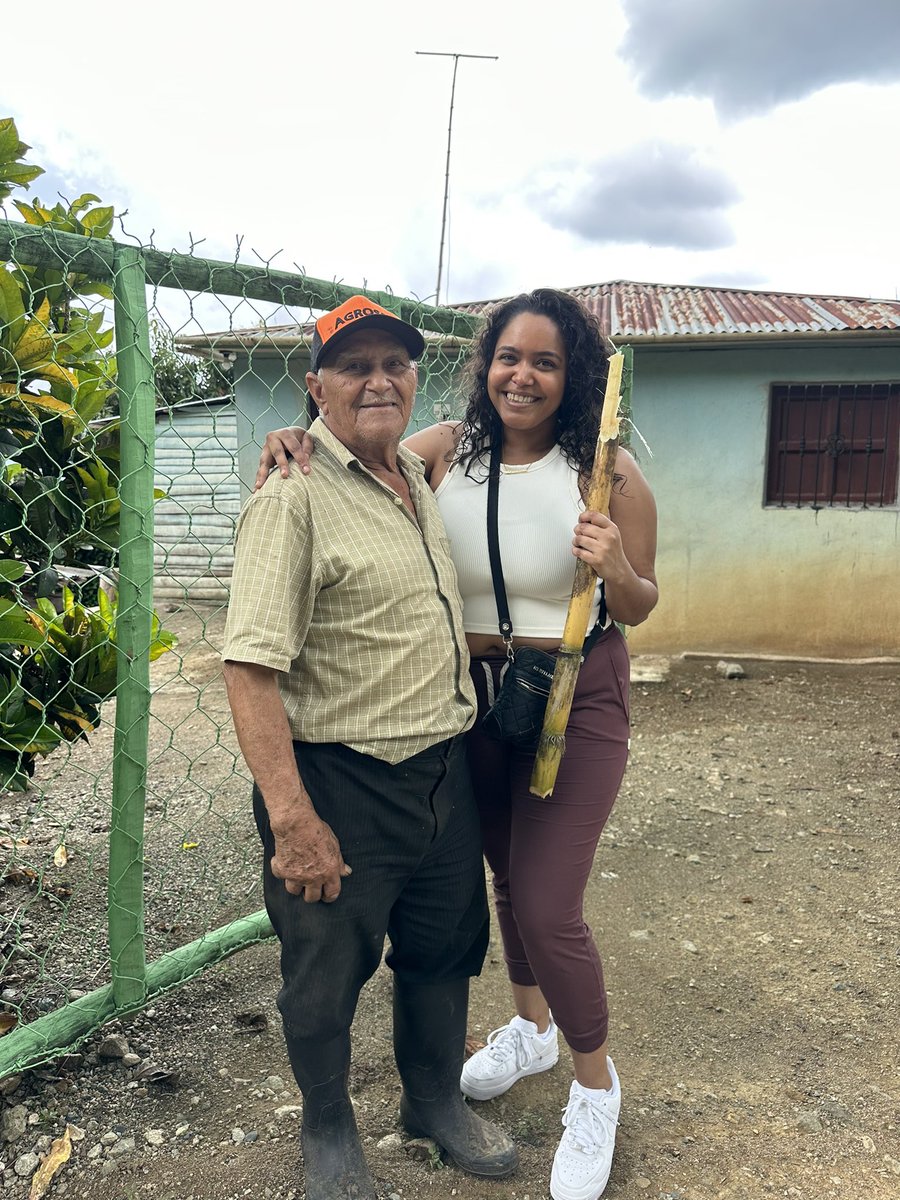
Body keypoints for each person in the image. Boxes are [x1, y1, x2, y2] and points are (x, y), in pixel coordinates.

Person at [256, 287, 659, 1200]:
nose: (524, 376)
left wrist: (614, 567)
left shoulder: (608, 472)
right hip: (473, 700)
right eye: (509, 357)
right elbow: (353, 456)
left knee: (548, 904)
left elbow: (641, 604)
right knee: (506, 878)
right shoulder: (445, 451)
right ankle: (531, 1028)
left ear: (574, 376)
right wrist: (286, 440)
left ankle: (596, 1090)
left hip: (572, 695)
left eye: (547, 362)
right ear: (486, 366)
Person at [224, 294, 518, 1200]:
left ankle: (432, 1103)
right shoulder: (294, 495)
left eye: (395, 364)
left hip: (441, 772)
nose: (379, 381)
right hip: (339, 783)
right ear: (317, 388)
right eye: (355, 367)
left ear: (415, 378)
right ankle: (327, 1129)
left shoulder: (417, 477)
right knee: (324, 974)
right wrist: (292, 819)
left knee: (444, 948)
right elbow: (249, 668)